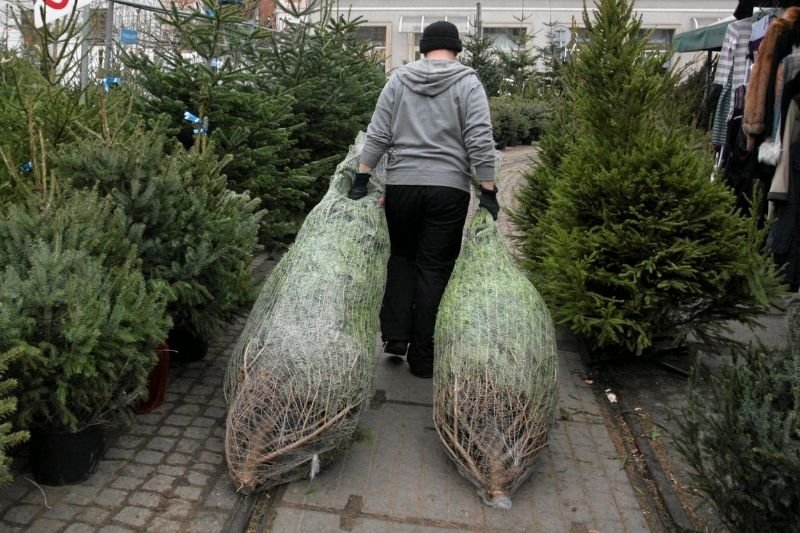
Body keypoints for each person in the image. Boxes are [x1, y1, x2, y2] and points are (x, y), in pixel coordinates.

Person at [348, 20, 499, 378]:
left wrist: (362, 175)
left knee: (401, 258)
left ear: (423, 49)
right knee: (434, 268)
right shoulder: (468, 83)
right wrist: (489, 190)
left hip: (402, 185)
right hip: (448, 190)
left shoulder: (399, 80)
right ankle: (423, 355)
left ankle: (396, 337)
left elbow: (379, 131)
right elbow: (479, 138)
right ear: (457, 50)